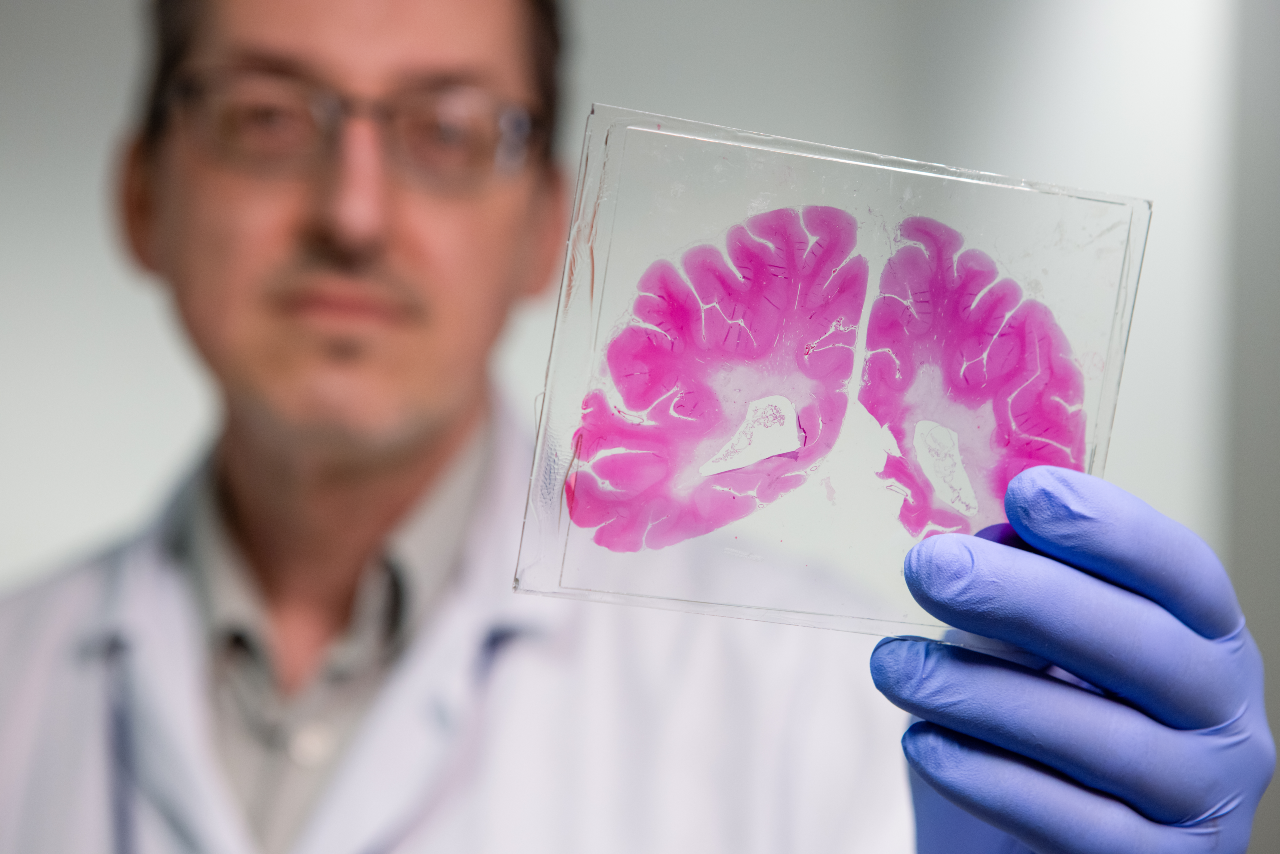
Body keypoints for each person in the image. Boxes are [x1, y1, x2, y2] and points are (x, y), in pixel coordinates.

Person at [0, 0, 1271, 852]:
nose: (354, 209)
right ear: (139, 194)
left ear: (550, 224)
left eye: (446, 128)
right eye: (268, 116)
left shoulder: (830, 709)